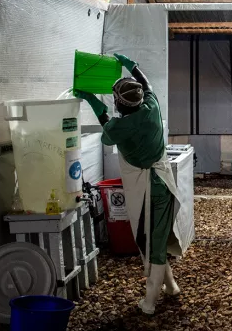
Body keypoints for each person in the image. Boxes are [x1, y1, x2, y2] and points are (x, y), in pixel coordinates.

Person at [76, 53, 185, 315]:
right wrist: (131, 65)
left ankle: (149, 301)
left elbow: (106, 126)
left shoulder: (119, 128)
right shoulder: (152, 107)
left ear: (120, 104)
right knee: (153, 238)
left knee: (152, 244)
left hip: (149, 188)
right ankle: (171, 287)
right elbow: (146, 85)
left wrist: (92, 101)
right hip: (163, 182)